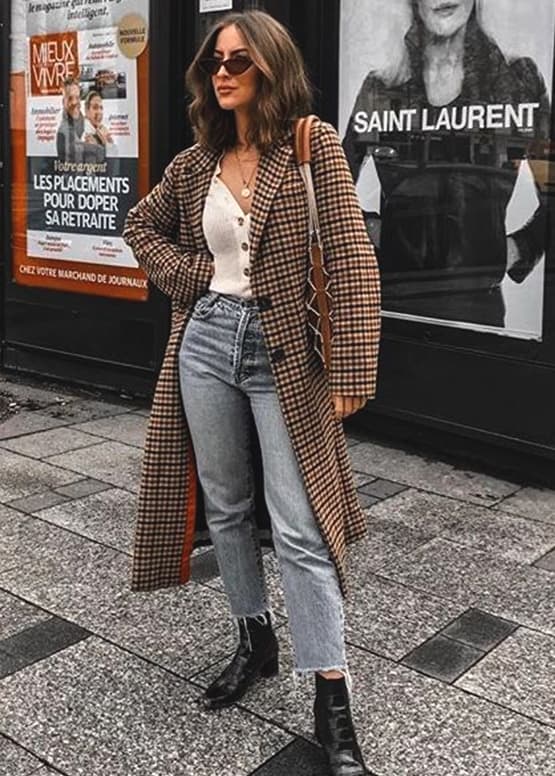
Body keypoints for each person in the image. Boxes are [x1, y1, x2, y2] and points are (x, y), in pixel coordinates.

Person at [123, 10, 380, 775]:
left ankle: (331, 700)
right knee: (226, 508)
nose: (223, 72)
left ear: (271, 67)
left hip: (284, 356)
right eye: (214, 62)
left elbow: (351, 257)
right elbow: (142, 226)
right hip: (205, 344)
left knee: (297, 528)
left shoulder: (309, 146)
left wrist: (353, 371)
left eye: (239, 60)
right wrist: (193, 280)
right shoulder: (196, 161)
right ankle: (253, 638)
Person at [343, 0, 550, 328]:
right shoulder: (381, 88)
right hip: (392, 308)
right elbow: (330, 191)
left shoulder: (516, 80)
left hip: (478, 316)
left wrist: (517, 250)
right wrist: (370, 229)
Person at [56, 77, 85, 162]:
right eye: (70, 98)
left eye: (77, 97)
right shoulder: (62, 132)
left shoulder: (87, 122)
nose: (74, 102)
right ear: (63, 101)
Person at [83, 90, 116, 162]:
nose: (99, 112)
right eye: (95, 107)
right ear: (86, 110)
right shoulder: (84, 134)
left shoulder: (102, 131)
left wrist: (107, 143)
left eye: (101, 108)